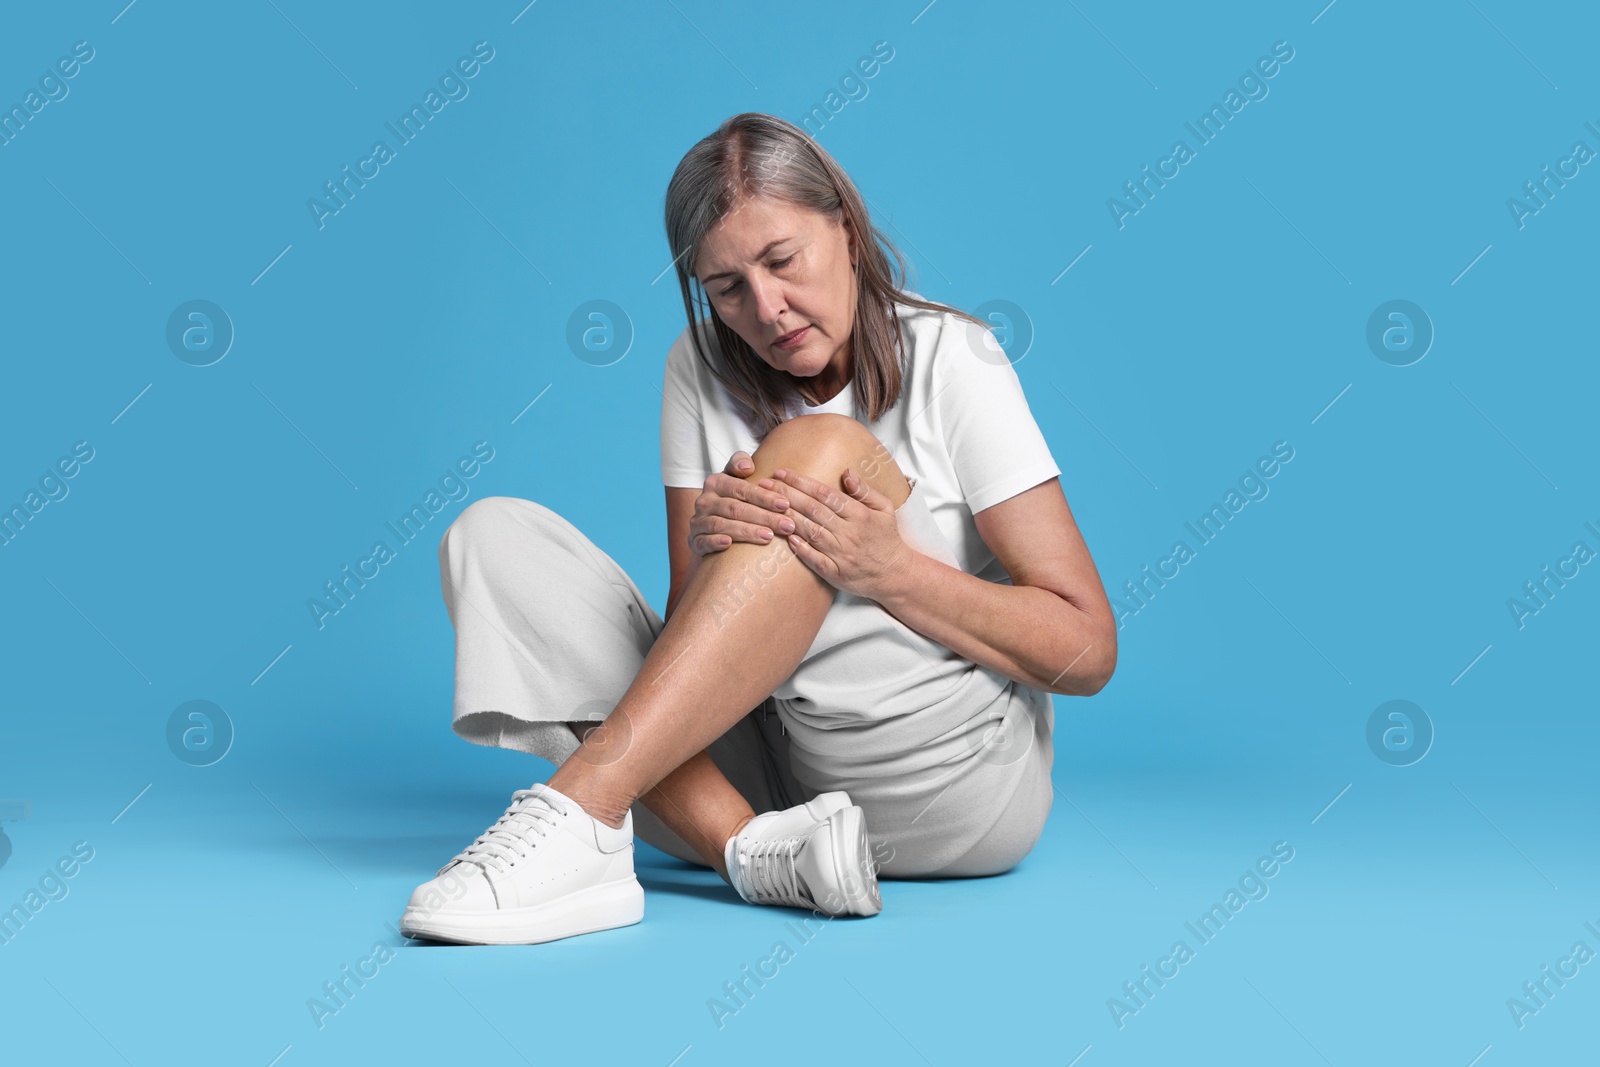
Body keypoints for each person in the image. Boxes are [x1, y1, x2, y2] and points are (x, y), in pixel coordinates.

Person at [398, 112, 1117, 946]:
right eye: (727, 286)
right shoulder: (694, 368)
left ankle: (577, 816)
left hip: (952, 791)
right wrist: (712, 554)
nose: (767, 308)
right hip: (781, 791)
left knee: (816, 445)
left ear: (845, 230)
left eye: (782, 260)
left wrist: (890, 570)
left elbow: (1088, 650)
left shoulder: (957, 357)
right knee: (490, 536)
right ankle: (753, 855)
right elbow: (691, 669)